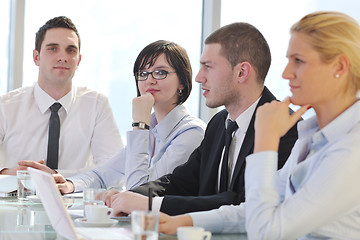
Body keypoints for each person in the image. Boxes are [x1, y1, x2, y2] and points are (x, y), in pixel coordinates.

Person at [159, 11, 360, 239]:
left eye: (299, 61)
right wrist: (184, 221)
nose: (286, 74)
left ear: (339, 67)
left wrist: (265, 139)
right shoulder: (312, 136)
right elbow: (255, 209)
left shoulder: (352, 149)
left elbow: (267, 231)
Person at [100, 22, 300, 217]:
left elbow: (244, 203)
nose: (198, 77)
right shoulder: (220, 123)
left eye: (208, 67)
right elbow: (183, 180)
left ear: (242, 72)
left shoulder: (285, 127)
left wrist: (152, 204)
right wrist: (132, 195)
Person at [53, 40, 206, 193]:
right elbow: (103, 174)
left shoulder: (191, 133)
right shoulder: (152, 129)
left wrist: (140, 125)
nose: (149, 80)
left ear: (182, 82)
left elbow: (140, 192)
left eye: (160, 72)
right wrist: (70, 185)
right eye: (143, 73)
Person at [0, 16, 123, 177]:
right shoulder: (6, 106)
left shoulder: (96, 104)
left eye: (70, 50)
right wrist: (14, 174)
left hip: (74, 200)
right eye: (52, 48)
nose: (63, 57)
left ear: (78, 60)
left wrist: (54, 176)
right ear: (36, 57)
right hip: (17, 199)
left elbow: (115, 172)